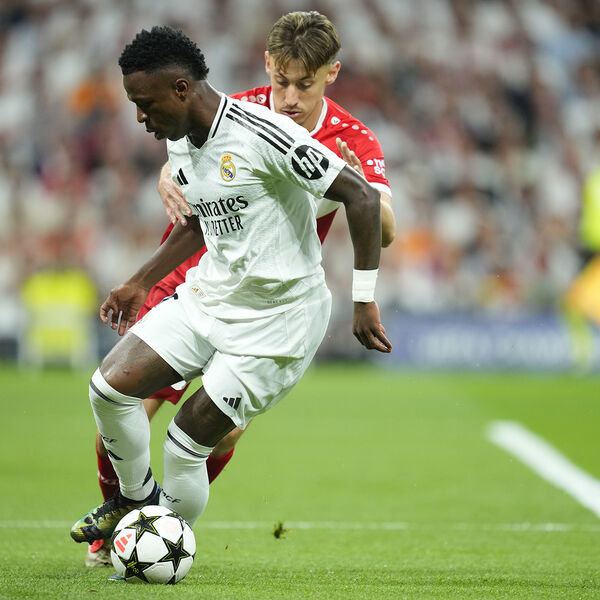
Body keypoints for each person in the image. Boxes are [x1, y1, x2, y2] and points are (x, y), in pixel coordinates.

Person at [71, 24, 391, 561]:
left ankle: (158, 544)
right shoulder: (182, 133)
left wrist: (363, 300)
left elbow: (363, 199)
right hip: (211, 293)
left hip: (279, 318)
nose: (140, 117)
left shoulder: (268, 133)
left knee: (187, 442)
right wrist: (140, 280)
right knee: (108, 389)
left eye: (144, 104)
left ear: (179, 90)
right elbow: (201, 220)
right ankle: (133, 504)